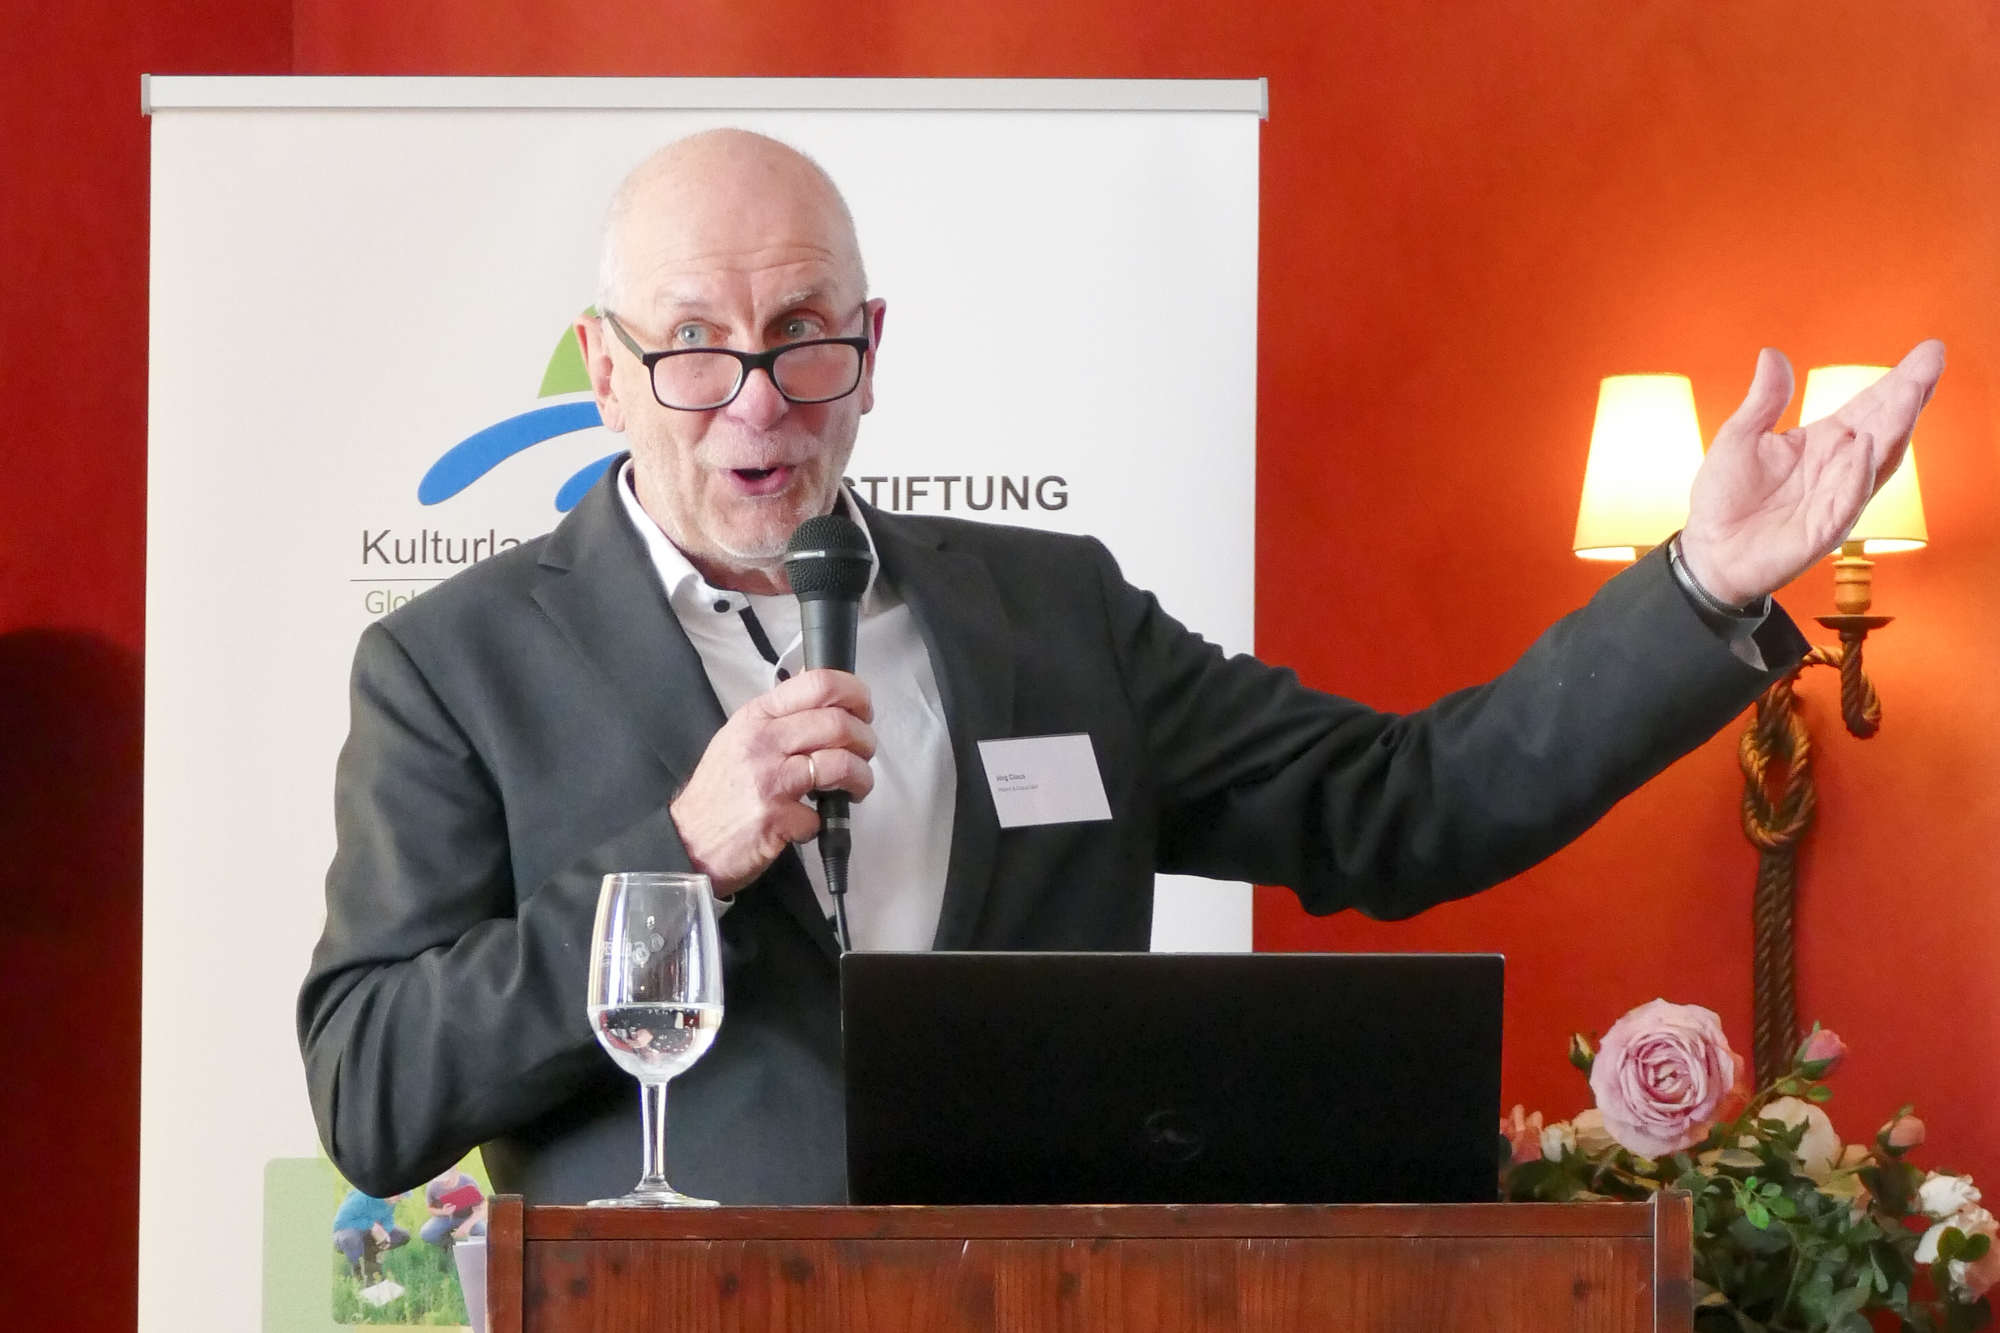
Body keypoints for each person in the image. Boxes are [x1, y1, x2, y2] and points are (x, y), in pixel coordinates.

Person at [297, 129, 1945, 1207]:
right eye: (693, 346)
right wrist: (680, 856)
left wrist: (1698, 585)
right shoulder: (453, 667)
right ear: (605, 370)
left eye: (802, 334)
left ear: (871, 352)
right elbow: (372, 1089)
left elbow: (1406, 803)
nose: (756, 397)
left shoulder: (1050, 614)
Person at [331, 1187, 408, 1284]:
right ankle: (358, 1271)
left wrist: (385, 1235)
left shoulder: (391, 1200)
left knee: (402, 1236)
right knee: (350, 1239)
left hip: (369, 1232)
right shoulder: (361, 1197)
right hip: (346, 1231)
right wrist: (372, 1225)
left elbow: (388, 1219)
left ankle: (371, 1259)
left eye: (401, 1195)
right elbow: (339, 1223)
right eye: (398, 1194)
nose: (399, 1198)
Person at [418, 1166, 486, 1248]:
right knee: (426, 1233)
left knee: (483, 1230)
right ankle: (449, 1244)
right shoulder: (433, 1186)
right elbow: (430, 1208)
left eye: (447, 1180)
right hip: (445, 1218)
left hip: (468, 1216)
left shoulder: (468, 1182)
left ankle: (472, 1246)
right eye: (441, 1180)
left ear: (456, 1172)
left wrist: (467, 1225)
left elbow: (482, 1208)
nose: (444, 1183)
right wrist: (442, 1212)